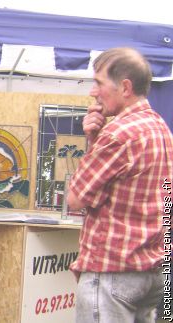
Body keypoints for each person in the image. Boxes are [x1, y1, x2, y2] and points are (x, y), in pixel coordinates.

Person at [67, 47, 173, 323]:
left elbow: (76, 198)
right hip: (150, 272)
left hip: (112, 273)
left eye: (99, 83)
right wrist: (95, 139)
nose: (93, 92)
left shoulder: (118, 134)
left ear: (125, 87)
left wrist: (95, 140)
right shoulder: (160, 128)